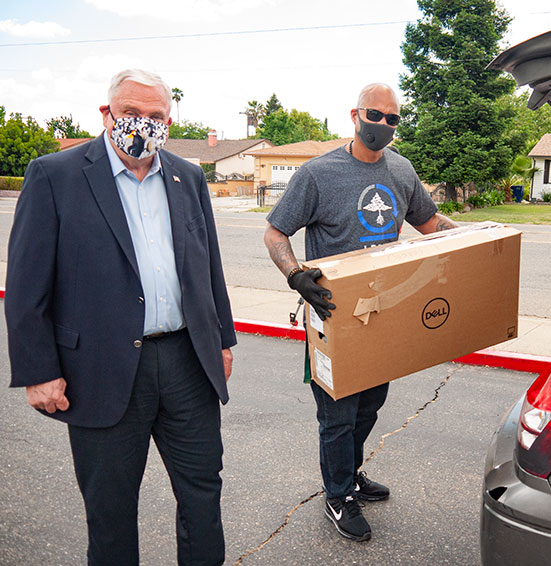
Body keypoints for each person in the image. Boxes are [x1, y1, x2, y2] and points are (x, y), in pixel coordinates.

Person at [5, 69, 236, 566]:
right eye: (132, 112)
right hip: (99, 370)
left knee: (202, 497)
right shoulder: (55, 176)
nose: (143, 123)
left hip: (186, 364)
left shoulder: (187, 176)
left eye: (156, 116)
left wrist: (222, 339)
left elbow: (207, 265)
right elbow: (26, 286)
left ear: (169, 122)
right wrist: (38, 370)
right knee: (109, 511)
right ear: (107, 114)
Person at [264, 83, 458, 542]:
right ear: (355, 115)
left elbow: (431, 226)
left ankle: (349, 474)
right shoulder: (318, 174)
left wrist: (481, 236)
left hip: (382, 313)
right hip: (331, 315)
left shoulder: (402, 170)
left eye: (392, 119)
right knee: (337, 414)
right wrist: (295, 275)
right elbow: (275, 232)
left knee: (370, 405)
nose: (384, 126)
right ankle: (337, 496)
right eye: (376, 116)